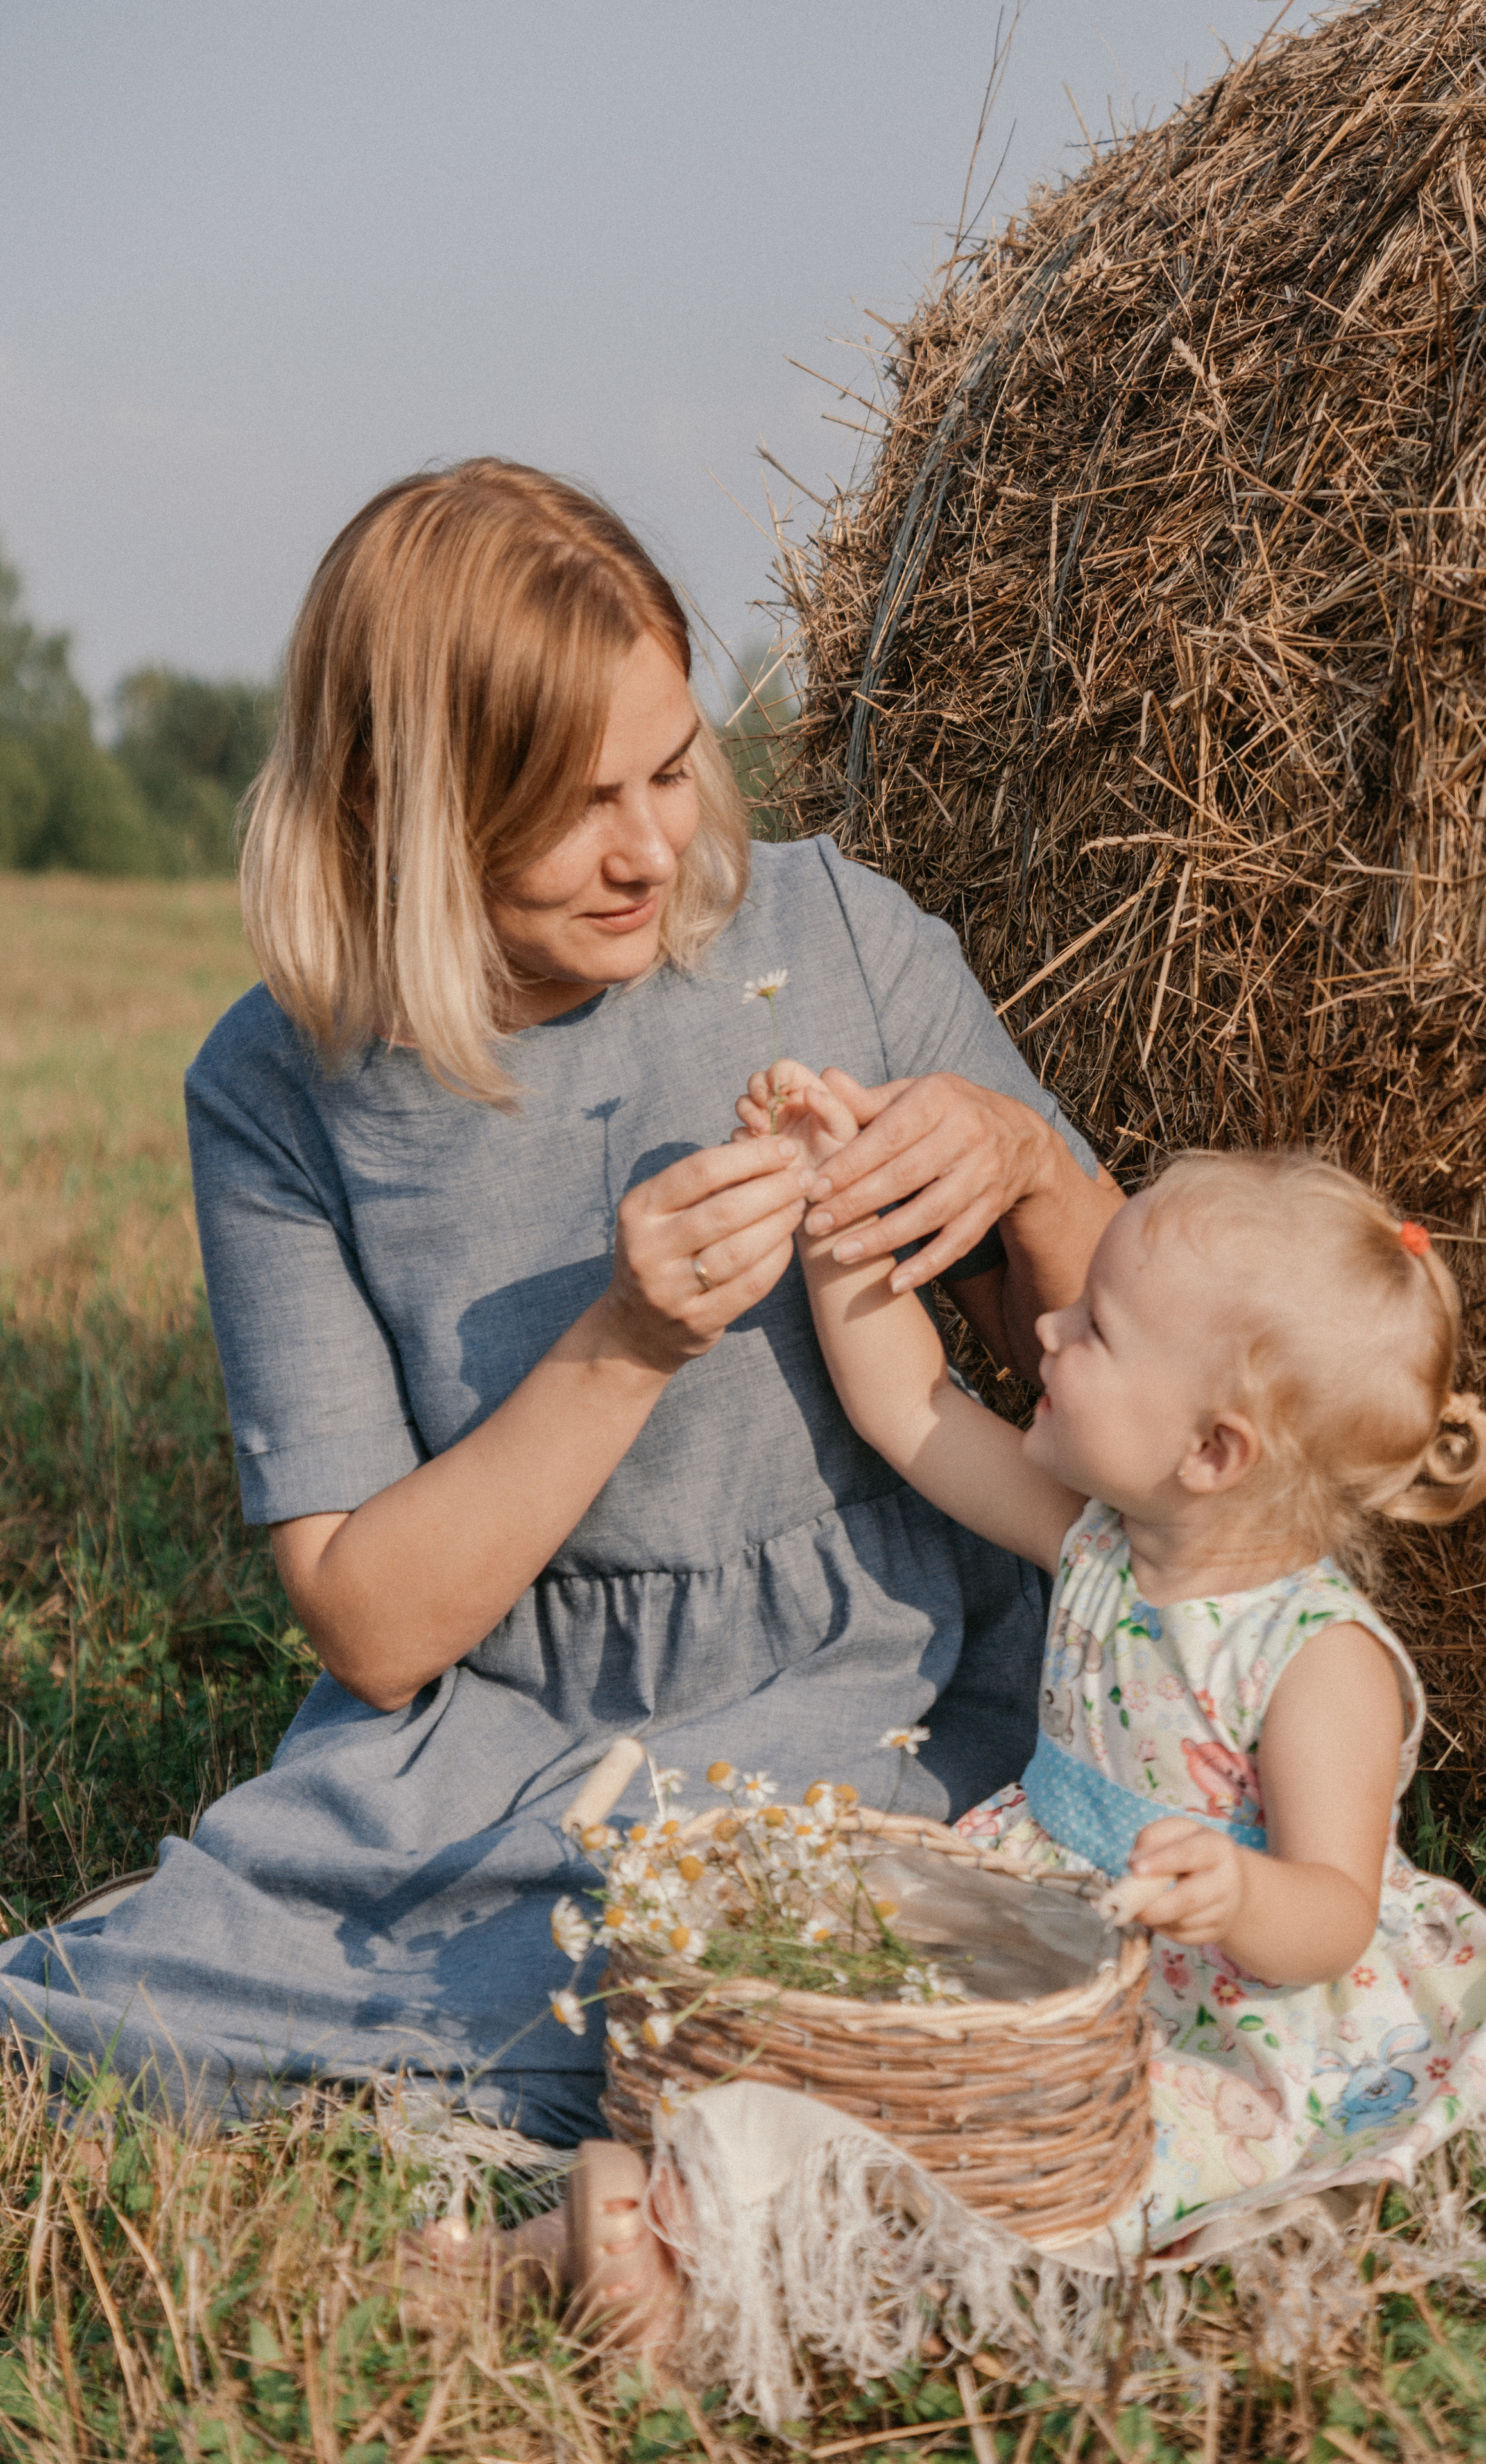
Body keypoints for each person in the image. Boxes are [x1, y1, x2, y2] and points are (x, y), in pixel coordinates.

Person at [0, 463, 1120, 2186]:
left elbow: (1153, 1356)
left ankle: (626, 2115)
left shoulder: (833, 933)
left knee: (798, 1969)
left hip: (870, 1685)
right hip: (496, 1732)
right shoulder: (283, 1089)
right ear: (398, 807)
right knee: (105, 2018)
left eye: (673, 768)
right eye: (578, 802)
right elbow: (373, 1628)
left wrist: (1026, 1170)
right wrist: (624, 1342)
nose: (656, 847)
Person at [769, 1082, 1486, 2255]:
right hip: (1048, 1911)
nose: (1049, 1330)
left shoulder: (1319, 1659)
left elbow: (1331, 1914)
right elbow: (903, 1404)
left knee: (1063, 2155)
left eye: (1097, 1332)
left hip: (1210, 2000)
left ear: (1213, 1451)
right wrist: (833, 1205)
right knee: (840, 2010)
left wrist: (1236, 1893)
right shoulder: (1101, 1545)